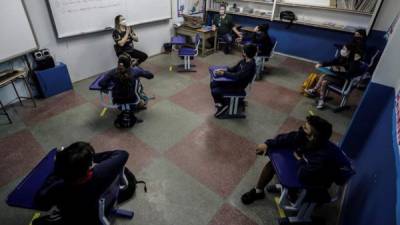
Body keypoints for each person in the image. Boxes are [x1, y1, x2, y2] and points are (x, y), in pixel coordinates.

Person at [241, 115, 339, 205]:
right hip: (303, 166)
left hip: (313, 181)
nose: (302, 128)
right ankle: (258, 191)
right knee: (272, 165)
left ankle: (292, 193)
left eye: (305, 128)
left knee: (290, 179)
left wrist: (300, 160)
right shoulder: (304, 135)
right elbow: (287, 138)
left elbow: (306, 174)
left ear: (313, 137)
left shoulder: (322, 156)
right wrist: (268, 144)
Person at [33, 142, 134, 225]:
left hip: (78, 219)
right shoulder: (103, 171)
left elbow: (40, 203)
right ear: (89, 164)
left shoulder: (58, 188)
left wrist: (55, 172)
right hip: (104, 207)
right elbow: (122, 154)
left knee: (36, 222)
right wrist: (88, 158)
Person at [305, 44, 363, 109]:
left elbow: (350, 73)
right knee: (324, 81)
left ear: (350, 51)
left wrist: (341, 70)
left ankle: (315, 92)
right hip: (336, 76)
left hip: (344, 81)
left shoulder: (354, 62)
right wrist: (322, 63)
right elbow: (332, 61)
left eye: (344, 49)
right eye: (342, 49)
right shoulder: (342, 57)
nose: (342, 50)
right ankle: (321, 100)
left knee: (324, 78)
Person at [210, 44, 257, 117]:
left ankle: (224, 105)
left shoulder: (250, 66)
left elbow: (237, 76)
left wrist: (224, 73)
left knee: (215, 91)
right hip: (234, 82)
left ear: (245, 53)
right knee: (213, 84)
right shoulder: (244, 61)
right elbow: (233, 69)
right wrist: (223, 69)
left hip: (238, 86)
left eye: (243, 51)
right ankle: (222, 102)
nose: (242, 52)